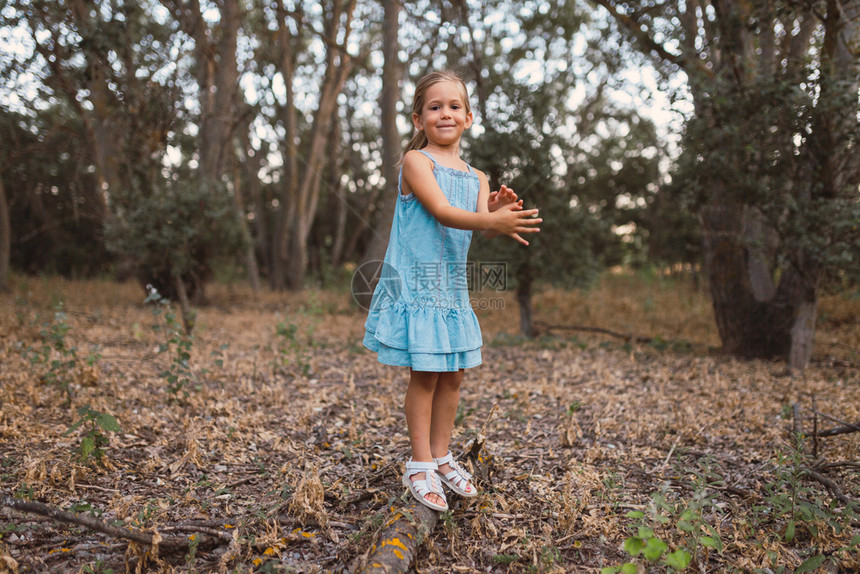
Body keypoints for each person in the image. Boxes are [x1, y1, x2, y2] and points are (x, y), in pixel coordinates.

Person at [363, 70, 541, 511]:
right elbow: (443, 213)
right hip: (419, 287)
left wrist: (496, 213)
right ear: (419, 119)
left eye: (454, 106)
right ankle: (419, 464)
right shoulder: (416, 163)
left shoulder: (476, 175)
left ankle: (442, 456)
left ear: (469, 118)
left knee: (454, 376)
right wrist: (490, 220)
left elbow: (478, 226)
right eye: (435, 106)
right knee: (424, 374)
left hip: (451, 293)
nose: (445, 112)